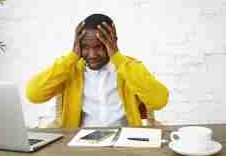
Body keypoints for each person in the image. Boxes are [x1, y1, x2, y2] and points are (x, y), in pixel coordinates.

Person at [26, 14, 169, 128]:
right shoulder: (70, 68)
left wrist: (117, 57)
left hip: (124, 141)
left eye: (99, 47)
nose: (92, 55)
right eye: (85, 47)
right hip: (80, 142)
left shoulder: (129, 67)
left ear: (113, 41)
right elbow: (33, 94)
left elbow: (159, 101)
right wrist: (72, 57)